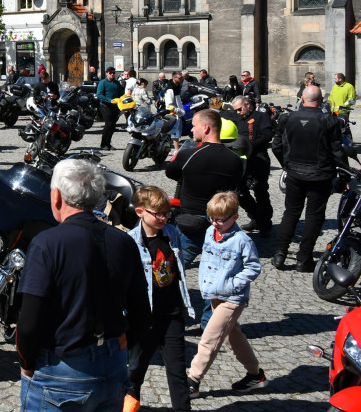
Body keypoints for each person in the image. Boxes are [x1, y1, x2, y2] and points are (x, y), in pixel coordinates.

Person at [16, 159, 149, 411]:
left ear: (57, 197)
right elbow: (143, 315)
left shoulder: (48, 243)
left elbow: (29, 320)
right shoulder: (124, 242)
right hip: (113, 368)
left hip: (61, 368)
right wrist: (117, 347)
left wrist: (26, 363)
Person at [187, 191, 267, 398]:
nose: (215, 224)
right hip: (213, 293)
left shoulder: (243, 241)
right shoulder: (209, 232)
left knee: (210, 338)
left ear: (235, 217)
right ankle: (255, 375)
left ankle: (192, 380)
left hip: (232, 298)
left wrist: (231, 284)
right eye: (211, 218)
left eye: (220, 220)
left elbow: (253, 268)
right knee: (233, 337)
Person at [126, 186, 195, 412]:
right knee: (135, 371)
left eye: (166, 213)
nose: (163, 218)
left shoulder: (172, 234)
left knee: (177, 371)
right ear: (139, 212)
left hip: (171, 313)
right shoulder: (130, 243)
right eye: (158, 214)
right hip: (144, 318)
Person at [271, 84, 347, 271]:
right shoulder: (330, 121)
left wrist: (286, 165)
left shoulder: (287, 118)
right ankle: (304, 258)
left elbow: (276, 146)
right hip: (320, 175)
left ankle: (280, 254)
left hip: (295, 173)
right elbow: (337, 151)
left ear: (302, 99)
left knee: (291, 212)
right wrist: (343, 175)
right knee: (314, 216)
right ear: (321, 101)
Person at [165, 109, 243, 266]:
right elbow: (235, 186)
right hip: (222, 224)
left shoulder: (188, 155)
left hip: (191, 223)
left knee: (174, 268)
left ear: (206, 128)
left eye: (194, 125)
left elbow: (170, 172)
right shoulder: (235, 160)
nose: (192, 129)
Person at [231, 96, 274, 234]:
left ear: (247, 104)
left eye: (239, 109)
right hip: (241, 161)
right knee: (239, 192)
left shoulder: (261, 116)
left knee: (260, 191)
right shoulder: (237, 119)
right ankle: (256, 217)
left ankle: (265, 223)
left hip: (258, 159)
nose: (238, 112)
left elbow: (267, 135)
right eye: (235, 110)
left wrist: (249, 146)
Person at [96, 67, 124, 150]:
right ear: (107, 73)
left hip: (115, 106)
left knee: (113, 126)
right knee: (108, 124)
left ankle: (108, 143)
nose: (112, 74)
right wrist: (109, 100)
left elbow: (121, 93)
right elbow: (99, 95)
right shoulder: (103, 82)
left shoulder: (117, 83)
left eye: (113, 73)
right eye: (110, 73)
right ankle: (103, 144)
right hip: (105, 106)